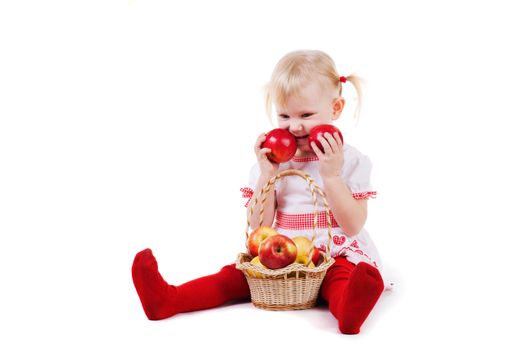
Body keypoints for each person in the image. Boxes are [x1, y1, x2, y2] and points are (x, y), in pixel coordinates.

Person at [132, 49, 385, 335]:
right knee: (233, 277)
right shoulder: (272, 162)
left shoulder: (350, 161)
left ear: (336, 108)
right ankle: (168, 299)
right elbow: (258, 228)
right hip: (281, 252)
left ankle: (349, 311)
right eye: (284, 115)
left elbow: (353, 226)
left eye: (306, 114)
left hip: (332, 252)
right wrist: (268, 175)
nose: (295, 126)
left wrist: (331, 175)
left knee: (339, 278)